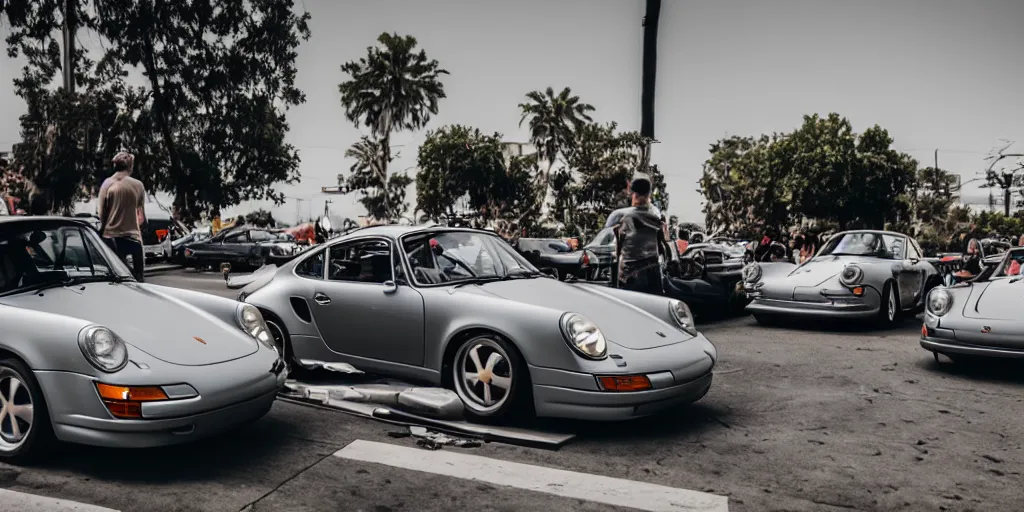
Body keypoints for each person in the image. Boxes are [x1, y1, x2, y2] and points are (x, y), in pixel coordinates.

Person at [610, 173, 672, 295]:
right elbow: (663, 249)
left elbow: (616, 253)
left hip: (631, 277)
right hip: (653, 275)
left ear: (633, 194)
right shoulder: (656, 219)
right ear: (649, 194)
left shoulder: (624, 218)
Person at [98, 152, 147, 281]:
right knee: (138, 279)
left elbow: (101, 214)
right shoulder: (138, 185)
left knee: (114, 278)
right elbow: (141, 216)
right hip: (133, 238)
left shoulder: (106, 184)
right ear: (130, 166)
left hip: (111, 237)